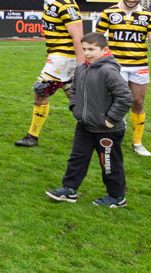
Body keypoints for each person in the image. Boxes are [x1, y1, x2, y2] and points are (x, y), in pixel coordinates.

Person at [45, 33, 133, 207]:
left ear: (105, 50)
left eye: (92, 49)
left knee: (109, 163)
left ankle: (117, 197)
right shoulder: (81, 69)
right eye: (84, 49)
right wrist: (75, 109)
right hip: (84, 125)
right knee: (77, 158)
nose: (87, 53)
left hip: (107, 129)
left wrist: (110, 120)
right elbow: (75, 91)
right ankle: (69, 189)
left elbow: (125, 97)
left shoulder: (108, 70)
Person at [94, 0, 151, 156]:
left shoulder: (148, 16)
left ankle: (137, 142)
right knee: (115, 102)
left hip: (139, 64)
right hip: (115, 65)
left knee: (138, 102)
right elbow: (97, 38)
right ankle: (108, 137)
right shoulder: (109, 13)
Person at [15, 0, 84, 148]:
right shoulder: (49, 1)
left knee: (40, 91)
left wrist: (81, 64)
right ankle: (100, 125)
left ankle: (32, 135)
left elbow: (78, 36)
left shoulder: (65, 4)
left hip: (64, 58)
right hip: (57, 56)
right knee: (76, 98)